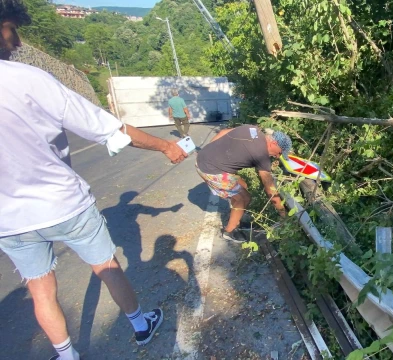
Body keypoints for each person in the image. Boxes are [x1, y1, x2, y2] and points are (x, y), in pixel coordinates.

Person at [0, 2, 188, 359]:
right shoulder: (28, 79)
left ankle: (67, 355)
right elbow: (110, 130)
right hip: (64, 203)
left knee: (41, 291)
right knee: (106, 266)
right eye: (10, 28)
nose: (17, 39)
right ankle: (140, 324)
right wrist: (166, 146)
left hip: (8, 219)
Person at [195, 125, 292, 242]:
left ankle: (237, 219)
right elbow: (270, 190)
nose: (277, 156)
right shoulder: (261, 156)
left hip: (204, 157)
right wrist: (283, 213)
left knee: (243, 185)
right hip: (211, 169)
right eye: (279, 153)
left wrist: (209, 151)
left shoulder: (252, 129)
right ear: (273, 143)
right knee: (243, 198)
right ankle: (230, 231)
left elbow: (223, 132)